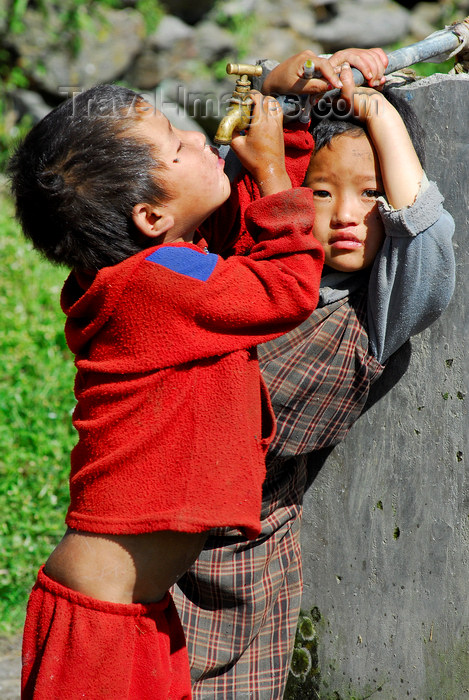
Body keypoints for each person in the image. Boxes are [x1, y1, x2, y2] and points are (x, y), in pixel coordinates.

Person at [8, 77, 332, 698]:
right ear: (150, 216)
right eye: (175, 145)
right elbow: (284, 286)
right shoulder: (159, 285)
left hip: (130, 608)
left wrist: (290, 112)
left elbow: (241, 236)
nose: (194, 135)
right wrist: (273, 176)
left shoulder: (151, 272)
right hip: (101, 625)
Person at [171, 54, 456, 698]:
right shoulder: (245, 272)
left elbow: (428, 231)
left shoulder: (372, 310)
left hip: (246, 557)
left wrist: (378, 109)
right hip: (159, 521)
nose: (349, 214)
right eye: (323, 193)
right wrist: (276, 85)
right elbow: (188, 243)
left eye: (372, 194)